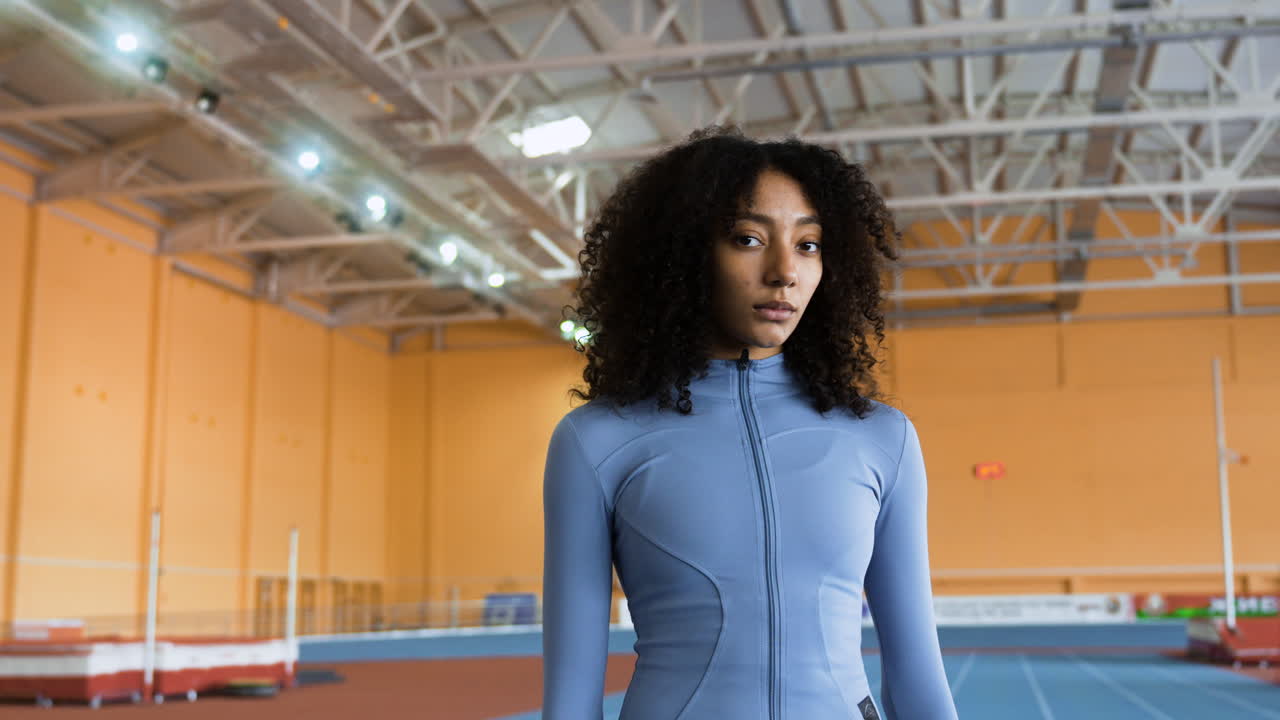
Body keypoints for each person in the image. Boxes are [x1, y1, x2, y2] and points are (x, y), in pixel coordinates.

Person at [541, 124, 957, 720]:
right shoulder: (598, 441)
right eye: (748, 238)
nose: (785, 270)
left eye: (809, 244)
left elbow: (919, 680)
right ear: (685, 253)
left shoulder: (882, 439)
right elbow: (570, 703)